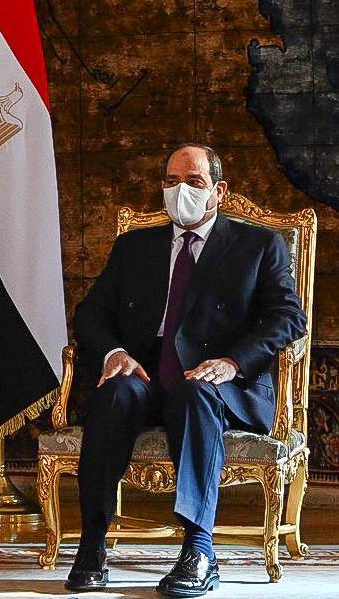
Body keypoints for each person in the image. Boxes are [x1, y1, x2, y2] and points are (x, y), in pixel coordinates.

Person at [67, 144, 306, 597]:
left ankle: (199, 550)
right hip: (147, 373)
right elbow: (91, 313)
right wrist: (115, 352)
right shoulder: (134, 247)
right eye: (172, 181)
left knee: (194, 394)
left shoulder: (257, 246)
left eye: (194, 182)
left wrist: (234, 362)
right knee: (114, 394)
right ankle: (92, 545)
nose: (182, 191)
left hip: (217, 380)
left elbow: (289, 317)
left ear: (219, 190)